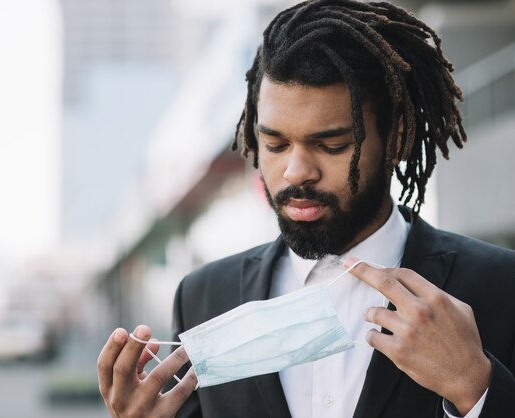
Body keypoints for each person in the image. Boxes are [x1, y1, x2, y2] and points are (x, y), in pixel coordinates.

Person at [97, 1, 515, 417]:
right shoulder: (205, 296)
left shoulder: (498, 285)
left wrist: (476, 388)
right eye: (275, 145)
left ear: (397, 139)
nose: (296, 173)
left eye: (331, 145)